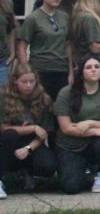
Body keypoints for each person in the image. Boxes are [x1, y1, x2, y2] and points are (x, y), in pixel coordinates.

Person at [54, 56, 100, 194]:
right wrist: (96, 131)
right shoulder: (66, 92)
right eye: (88, 67)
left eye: (97, 67)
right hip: (70, 146)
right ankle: (84, 172)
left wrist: (90, 123)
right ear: (81, 72)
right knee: (71, 187)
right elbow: (66, 128)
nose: (93, 70)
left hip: (96, 145)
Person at [0, 63, 58, 198]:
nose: (28, 85)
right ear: (15, 81)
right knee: (9, 135)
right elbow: (3, 128)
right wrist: (31, 127)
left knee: (48, 166)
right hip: (9, 141)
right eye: (24, 82)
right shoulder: (3, 97)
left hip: (33, 143)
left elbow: (44, 133)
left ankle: (28, 172)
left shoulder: (43, 99)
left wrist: (28, 148)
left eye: (32, 81)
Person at [18, 0, 72, 101]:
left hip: (61, 70)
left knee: (60, 106)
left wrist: (70, 71)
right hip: (40, 69)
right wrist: (26, 70)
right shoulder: (33, 18)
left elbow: (67, 44)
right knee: (41, 106)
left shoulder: (64, 17)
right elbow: (22, 45)